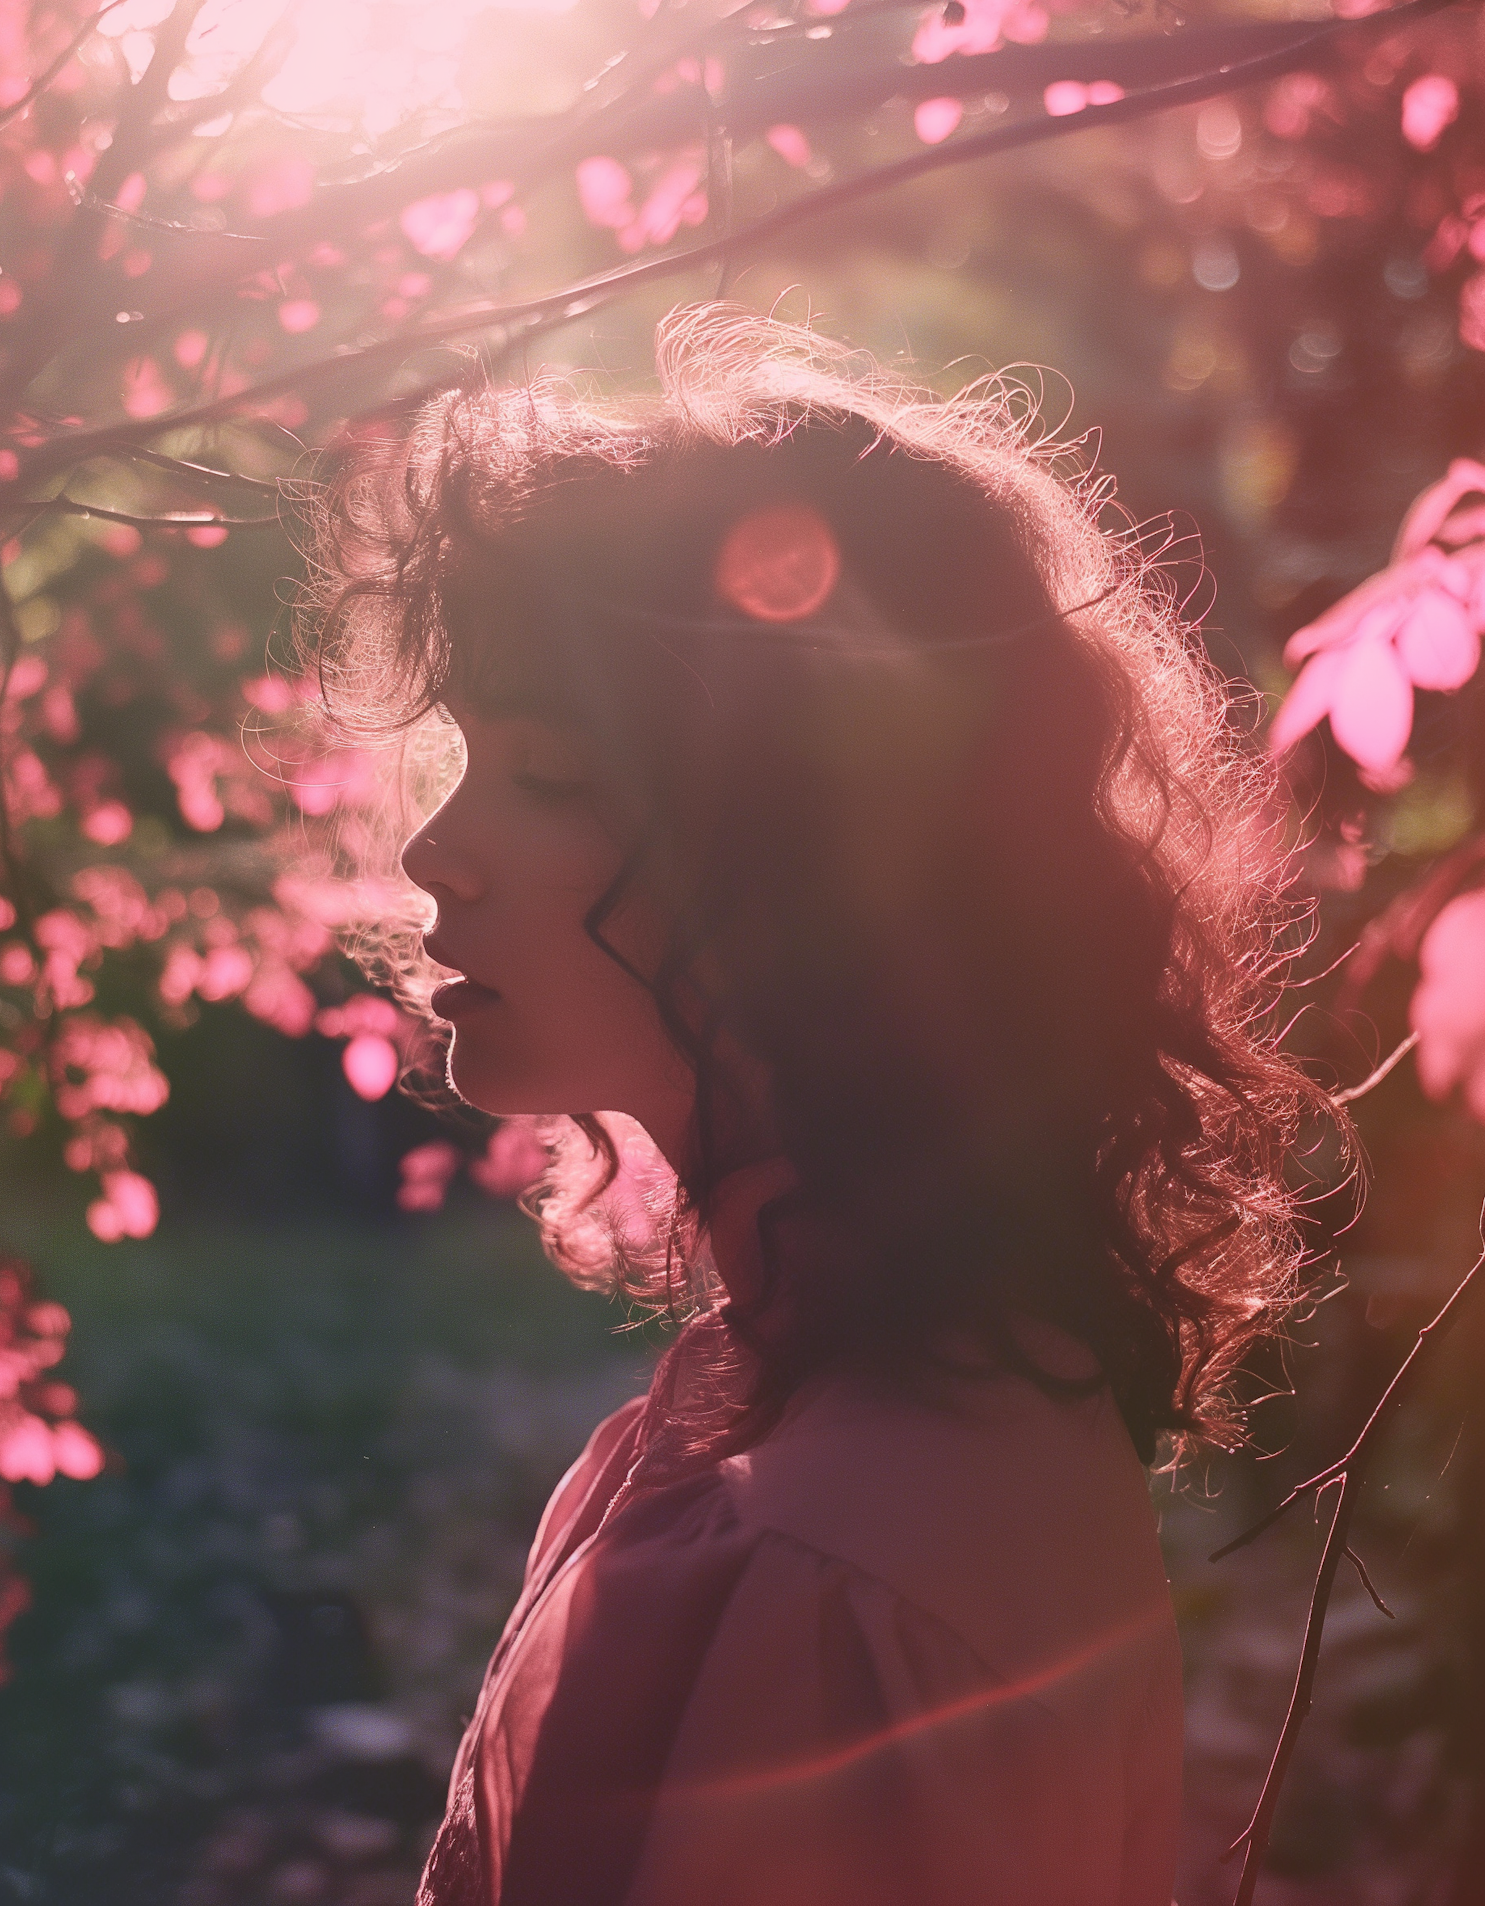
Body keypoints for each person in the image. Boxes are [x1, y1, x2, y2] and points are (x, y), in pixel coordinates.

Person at [306, 306, 1338, 1906]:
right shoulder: (819, 1414)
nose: (436, 847)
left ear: (820, 869)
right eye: (462, 756)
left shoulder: (831, 1568)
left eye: (553, 775)